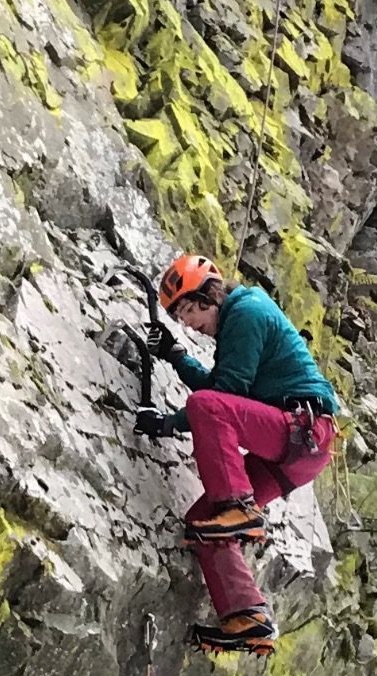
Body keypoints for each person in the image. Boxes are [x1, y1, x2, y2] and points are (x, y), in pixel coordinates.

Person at [131, 253, 341, 655]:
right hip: (298, 446)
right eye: (180, 316)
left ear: (210, 294)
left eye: (189, 310)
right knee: (202, 521)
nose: (188, 322)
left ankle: (238, 508)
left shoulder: (246, 312)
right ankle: (247, 617)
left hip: (302, 429)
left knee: (208, 409)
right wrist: (176, 357)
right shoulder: (238, 319)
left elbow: (220, 399)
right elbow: (225, 388)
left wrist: (165, 424)